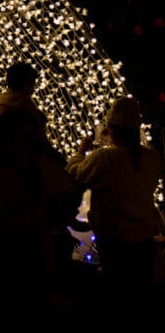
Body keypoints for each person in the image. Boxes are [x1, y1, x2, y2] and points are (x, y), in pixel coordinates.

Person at [0, 110, 77, 333]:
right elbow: (1, 220)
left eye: (32, 137)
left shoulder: (40, 166)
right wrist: (47, 213)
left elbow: (66, 199)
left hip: (45, 260)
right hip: (11, 261)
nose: (28, 143)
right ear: (6, 137)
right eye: (22, 137)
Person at [65, 98, 165, 325]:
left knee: (117, 297)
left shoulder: (105, 158)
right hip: (144, 243)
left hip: (114, 242)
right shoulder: (152, 158)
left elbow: (74, 173)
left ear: (111, 130)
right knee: (139, 297)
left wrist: (81, 152)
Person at [0, 62, 48, 141]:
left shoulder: (1, 101)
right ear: (26, 84)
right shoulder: (22, 104)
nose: (33, 89)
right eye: (32, 84)